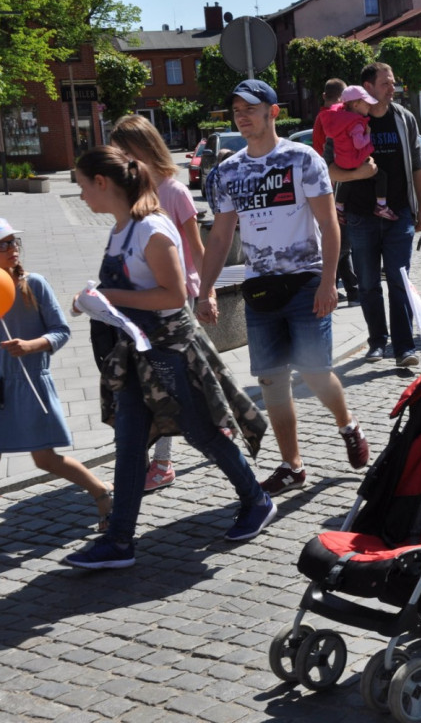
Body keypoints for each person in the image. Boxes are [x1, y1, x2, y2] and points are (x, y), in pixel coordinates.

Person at [63, 147, 274, 569]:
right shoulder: (123, 227)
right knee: (128, 443)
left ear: (102, 183)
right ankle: (120, 540)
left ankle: (257, 499)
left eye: (83, 186)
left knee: (202, 431)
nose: (82, 195)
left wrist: (105, 297)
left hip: (170, 352)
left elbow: (175, 295)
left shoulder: (151, 229)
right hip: (139, 353)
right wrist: (93, 301)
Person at [197, 79, 370, 498]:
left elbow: (330, 225)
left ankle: (347, 424)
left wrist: (329, 282)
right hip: (260, 287)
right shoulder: (228, 171)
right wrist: (205, 290)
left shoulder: (302, 159)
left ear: (273, 112)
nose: (242, 115)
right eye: (236, 109)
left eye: (251, 108)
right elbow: (220, 238)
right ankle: (292, 465)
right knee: (272, 380)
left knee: (312, 371)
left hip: (306, 280)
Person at [110, 114, 209, 493]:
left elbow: (196, 250)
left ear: (143, 148)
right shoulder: (131, 194)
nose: (120, 159)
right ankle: (209, 430)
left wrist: (210, 293)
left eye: (124, 151)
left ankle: (164, 462)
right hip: (141, 302)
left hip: (176, 300)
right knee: (158, 384)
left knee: (165, 385)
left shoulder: (173, 191)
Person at [0, 220, 113, 531]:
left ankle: (101, 492)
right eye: (4, 244)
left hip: (31, 381)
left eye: (14, 242)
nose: (13, 249)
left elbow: (61, 331)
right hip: (1, 385)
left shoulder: (33, 284)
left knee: (45, 459)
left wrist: (30, 346)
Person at [331, 62, 421, 367]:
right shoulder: (343, 120)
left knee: (399, 279)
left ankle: (403, 347)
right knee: (368, 283)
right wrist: (359, 173)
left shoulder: (404, 118)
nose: (393, 88)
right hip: (360, 217)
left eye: (393, 82)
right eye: (386, 83)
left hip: (398, 215)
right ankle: (376, 342)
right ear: (367, 87)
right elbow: (329, 168)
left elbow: (416, 166)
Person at [311, 78, 359, 307]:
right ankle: (340, 286)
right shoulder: (338, 116)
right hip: (337, 181)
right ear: (342, 98)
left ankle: (350, 288)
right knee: (341, 240)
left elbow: (318, 148)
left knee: (340, 239)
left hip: (325, 182)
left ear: (323, 95)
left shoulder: (320, 118)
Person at [321, 85, 396, 221]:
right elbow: (359, 144)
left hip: (341, 160)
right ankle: (381, 205)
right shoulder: (356, 123)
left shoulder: (339, 120)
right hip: (354, 160)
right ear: (355, 104)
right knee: (381, 176)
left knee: (347, 181)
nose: (369, 106)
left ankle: (339, 206)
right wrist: (368, 134)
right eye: (366, 103)